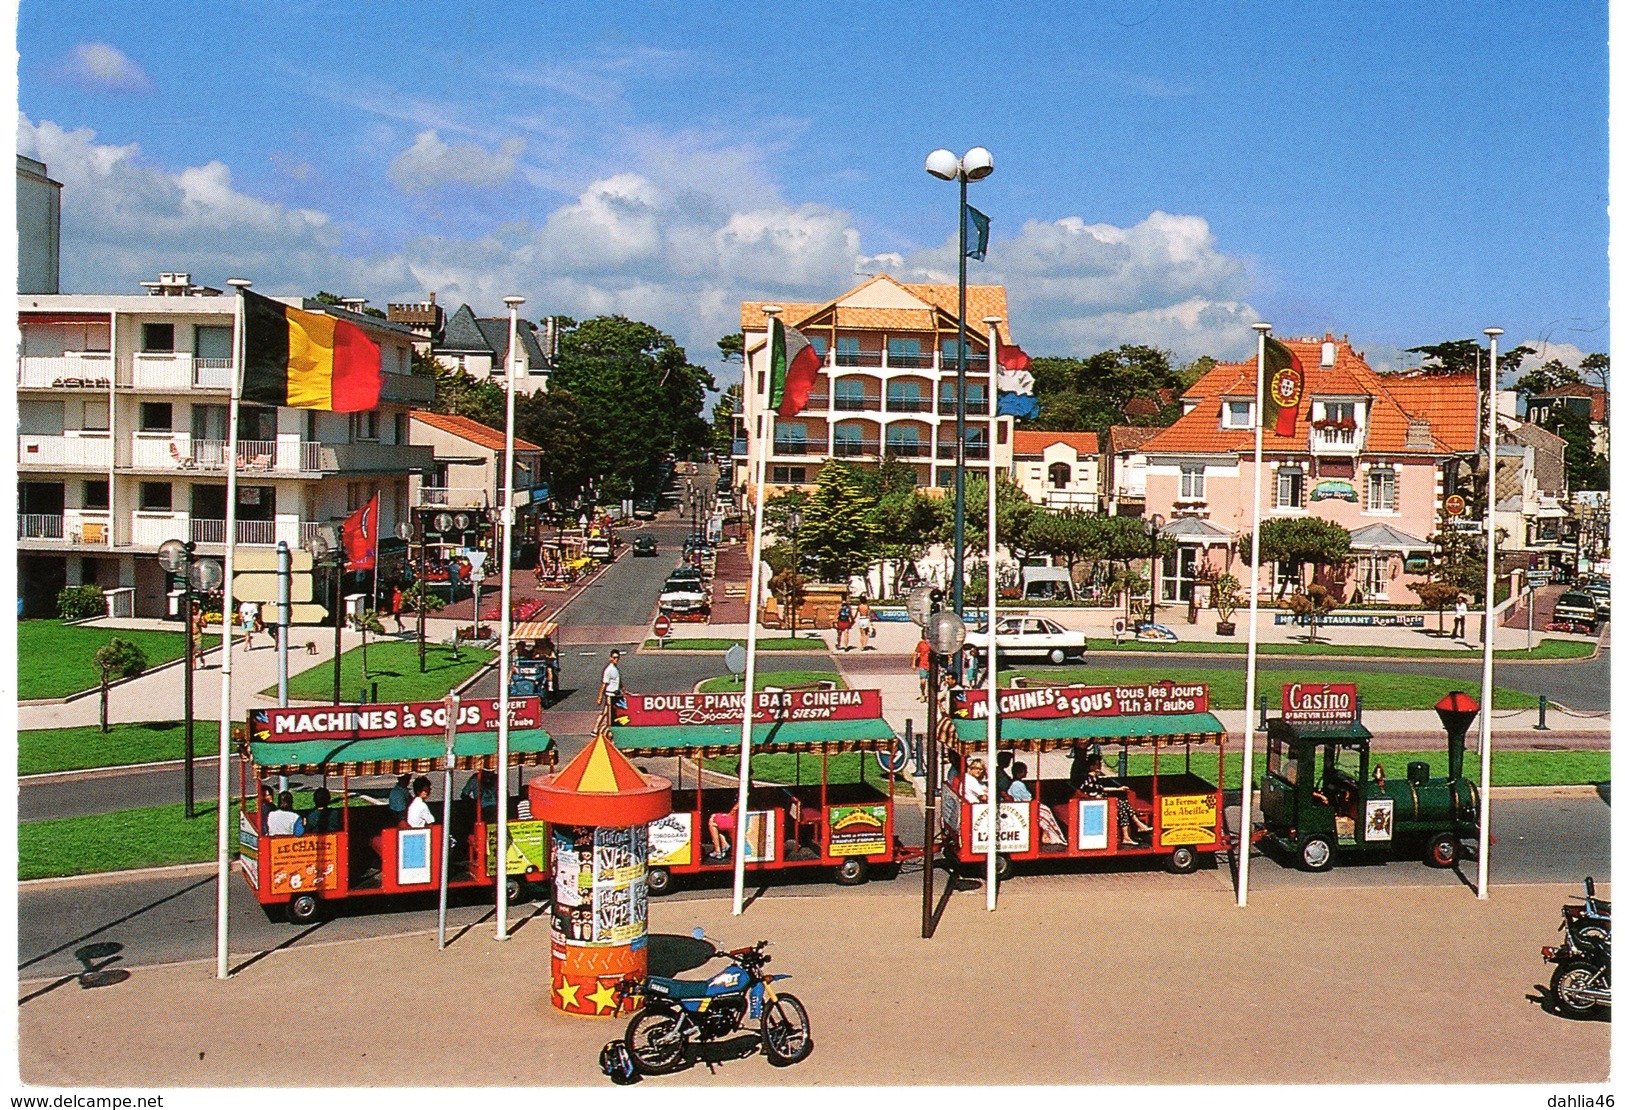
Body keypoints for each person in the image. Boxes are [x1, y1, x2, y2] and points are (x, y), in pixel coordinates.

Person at [1074, 752, 1153, 846]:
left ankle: (1132, 831)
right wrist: (1115, 790)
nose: (1100, 766)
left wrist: (1117, 789)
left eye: (1100, 764)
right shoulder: (1088, 778)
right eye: (1097, 764)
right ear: (1091, 766)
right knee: (1121, 804)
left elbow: (1100, 788)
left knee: (1122, 804)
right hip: (1094, 803)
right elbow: (1094, 791)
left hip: (1098, 800)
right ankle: (1134, 829)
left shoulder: (1094, 777)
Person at [914, 634, 933, 701]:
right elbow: (916, 652)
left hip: (931, 665)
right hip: (923, 664)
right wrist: (914, 663)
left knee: (931, 681)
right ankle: (922, 693)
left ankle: (929, 694)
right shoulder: (921, 644)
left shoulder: (933, 643)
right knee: (923, 681)